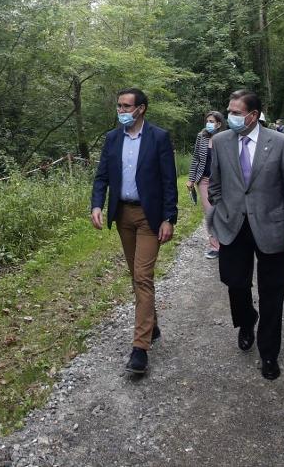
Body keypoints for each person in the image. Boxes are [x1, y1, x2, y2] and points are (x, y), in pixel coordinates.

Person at [206, 89, 284, 380]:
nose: (230, 116)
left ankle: (269, 353)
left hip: (272, 226)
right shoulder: (221, 142)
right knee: (235, 283)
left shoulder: (280, 142)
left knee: (273, 292)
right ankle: (247, 319)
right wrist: (219, 214)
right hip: (232, 225)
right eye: (229, 111)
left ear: (252, 115)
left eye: (236, 112)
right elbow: (215, 184)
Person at [91, 88, 178, 376]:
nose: (121, 110)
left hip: (150, 217)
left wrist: (169, 218)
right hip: (123, 214)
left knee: (142, 276)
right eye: (118, 105)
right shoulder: (112, 138)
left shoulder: (159, 138)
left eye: (126, 106)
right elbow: (102, 175)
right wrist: (96, 205)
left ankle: (139, 348)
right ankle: (150, 325)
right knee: (135, 274)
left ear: (141, 109)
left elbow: (168, 181)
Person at [187, 111, 225, 259]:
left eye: (212, 121)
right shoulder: (201, 137)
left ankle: (227, 241)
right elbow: (196, 158)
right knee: (210, 213)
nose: (209, 124)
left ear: (219, 124)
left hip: (221, 182)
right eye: (207, 121)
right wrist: (191, 179)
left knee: (222, 212)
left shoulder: (226, 138)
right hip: (203, 180)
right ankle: (215, 246)